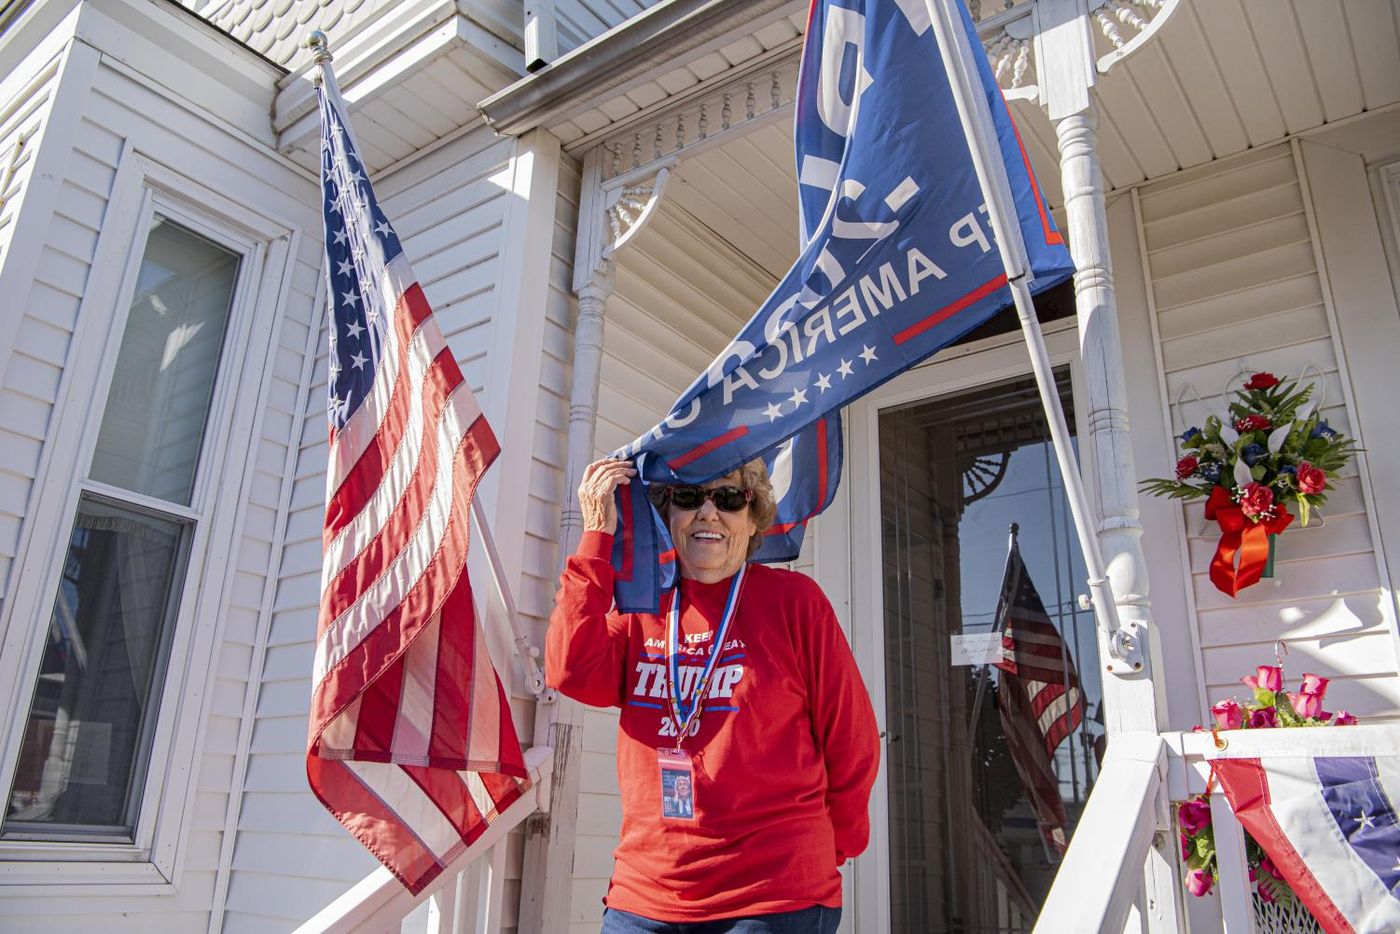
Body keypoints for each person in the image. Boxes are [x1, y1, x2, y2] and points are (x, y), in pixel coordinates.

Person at [546, 456, 881, 933]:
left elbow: (853, 742)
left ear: (752, 518)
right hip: (645, 895)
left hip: (771, 897)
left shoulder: (794, 602)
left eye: (727, 499)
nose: (708, 513)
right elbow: (569, 669)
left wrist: (831, 847)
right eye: (688, 498)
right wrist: (598, 533)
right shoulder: (644, 607)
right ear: (669, 517)